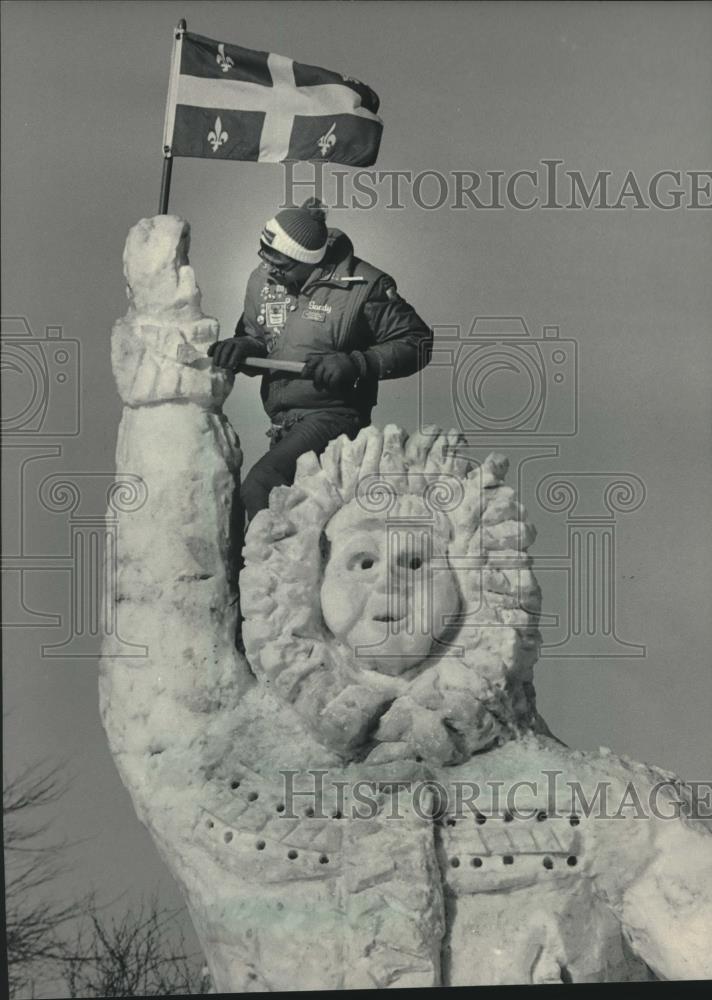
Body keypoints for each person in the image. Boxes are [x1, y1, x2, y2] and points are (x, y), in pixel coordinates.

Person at [208, 197, 433, 522]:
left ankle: (269, 567)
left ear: (308, 261)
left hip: (335, 416)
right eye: (265, 256)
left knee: (261, 486)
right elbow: (261, 337)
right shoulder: (265, 280)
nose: (270, 269)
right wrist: (243, 347)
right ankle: (267, 566)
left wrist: (356, 363)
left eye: (282, 264)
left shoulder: (362, 288)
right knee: (293, 509)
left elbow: (417, 342)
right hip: (284, 421)